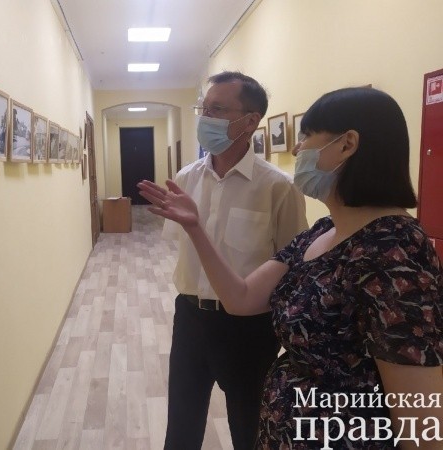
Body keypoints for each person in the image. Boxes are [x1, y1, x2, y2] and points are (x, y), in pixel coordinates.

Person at [138, 86, 443, 449]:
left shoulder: (396, 250)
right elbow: (241, 297)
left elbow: (420, 416)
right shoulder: (323, 231)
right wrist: (196, 227)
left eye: (307, 135)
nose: (297, 150)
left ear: (347, 144)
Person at [156, 71, 308, 449]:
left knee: (249, 428)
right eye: (204, 109)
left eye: (218, 109)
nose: (205, 118)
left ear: (250, 121)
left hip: (250, 329)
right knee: (181, 426)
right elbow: (180, 248)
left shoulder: (277, 187)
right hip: (190, 316)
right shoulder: (186, 178)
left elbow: (293, 267)